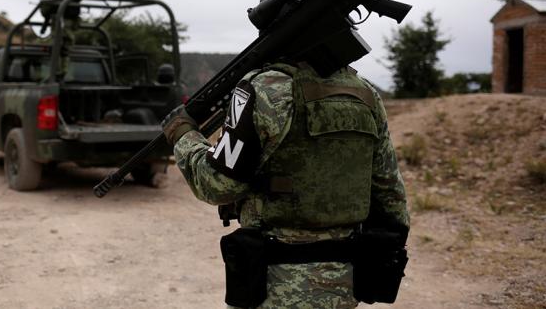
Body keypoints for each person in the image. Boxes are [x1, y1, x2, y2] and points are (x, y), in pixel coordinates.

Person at [162, 17, 409, 307]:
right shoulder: (366, 94)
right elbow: (391, 196)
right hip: (345, 282)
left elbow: (217, 185)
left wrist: (184, 135)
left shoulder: (264, 88)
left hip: (274, 284)